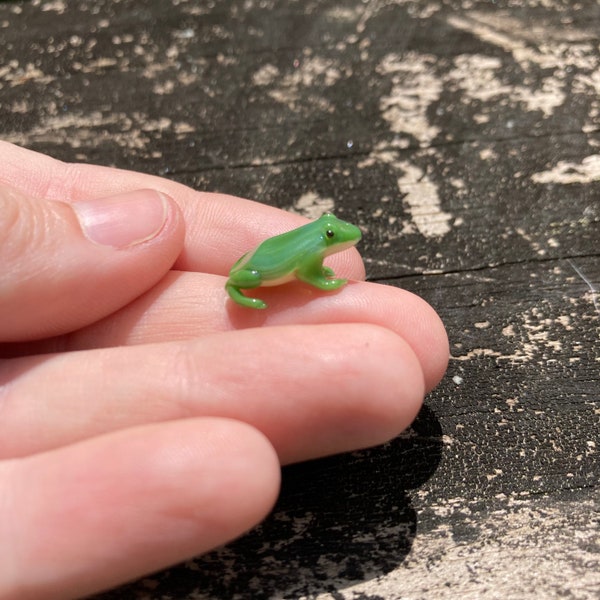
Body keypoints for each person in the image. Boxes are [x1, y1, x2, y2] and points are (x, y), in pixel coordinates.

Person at [0, 140, 448, 599]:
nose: (337, 238)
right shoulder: (311, 250)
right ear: (324, 237)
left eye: (331, 233)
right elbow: (312, 275)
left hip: (253, 263)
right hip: (251, 274)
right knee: (247, 289)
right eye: (332, 236)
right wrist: (305, 285)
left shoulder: (315, 240)